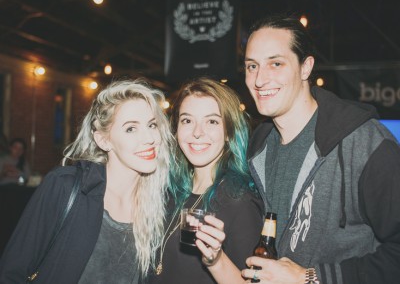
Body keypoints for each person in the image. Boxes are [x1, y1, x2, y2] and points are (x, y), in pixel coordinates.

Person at [238, 14, 400, 284]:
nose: (259, 79)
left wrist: (310, 277)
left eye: (275, 63)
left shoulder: (363, 143)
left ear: (305, 68)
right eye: (251, 66)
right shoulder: (257, 149)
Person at [0, 79, 173, 283]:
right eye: (131, 128)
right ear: (103, 140)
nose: (149, 138)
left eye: (152, 125)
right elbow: (11, 273)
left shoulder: (159, 205)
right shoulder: (66, 186)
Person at [149, 77, 264, 284]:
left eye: (211, 121)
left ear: (229, 131)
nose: (197, 133)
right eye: (187, 120)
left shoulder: (240, 201)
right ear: (176, 130)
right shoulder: (167, 191)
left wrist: (216, 260)